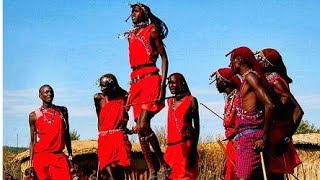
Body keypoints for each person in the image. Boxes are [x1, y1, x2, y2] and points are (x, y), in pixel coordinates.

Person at [124, 2, 170, 179]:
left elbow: (164, 58)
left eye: (136, 11)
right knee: (140, 129)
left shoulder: (152, 30)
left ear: (145, 13)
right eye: (132, 12)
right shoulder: (131, 35)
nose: (133, 14)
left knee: (143, 125)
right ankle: (152, 169)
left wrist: (163, 84)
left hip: (151, 79)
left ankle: (163, 162)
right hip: (136, 82)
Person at [227, 46, 275, 180]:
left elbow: (269, 104)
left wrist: (264, 137)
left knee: (244, 177)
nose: (230, 64)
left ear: (240, 60)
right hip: (246, 137)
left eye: (232, 60)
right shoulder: (245, 80)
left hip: (253, 138)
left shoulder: (251, 78)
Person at [255, 48, 303, 179]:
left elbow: (298, 111)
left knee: (274, 176)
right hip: (270, 134)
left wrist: (286, 138)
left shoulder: (276, 80)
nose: (256, 61)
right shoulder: (267, 80)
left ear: (267, 64)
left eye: (260, 58)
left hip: (275, 137)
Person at [29, 84, 72, 180]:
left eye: (51, 92)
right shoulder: (34, 116)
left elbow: (66, 135)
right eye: (46, 92)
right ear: (40, 96)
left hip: (59, 156)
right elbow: (32, 141)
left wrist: (70, 155)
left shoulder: (62, 111)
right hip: (41, 157)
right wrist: (31, 164)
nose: (49, 94)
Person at [94, 74, 132, 180]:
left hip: (118, 137)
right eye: (101, 86)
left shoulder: (123, 97)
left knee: (120, 173)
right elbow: (99, 118)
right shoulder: (98, 98)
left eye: (104, 86)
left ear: (112, 86)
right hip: (104, 138)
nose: (102, 89)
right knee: (111, 176)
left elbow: (125, 112)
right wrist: (101, 135)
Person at [164, 73, 200, 180]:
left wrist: (192, 150)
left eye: (173, 83)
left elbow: (197, 127)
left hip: (186, 148)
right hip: (171, 150)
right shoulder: (169, 101)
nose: (171, 86)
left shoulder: (191, 100)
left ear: (181, 83)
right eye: (169, 83)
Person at [211, 68, 241, 180]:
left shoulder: (240, 98)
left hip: (240, 144)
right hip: (232, 145)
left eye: (217, 80)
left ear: (224, 81)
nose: (216, 84)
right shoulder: (229, 100)